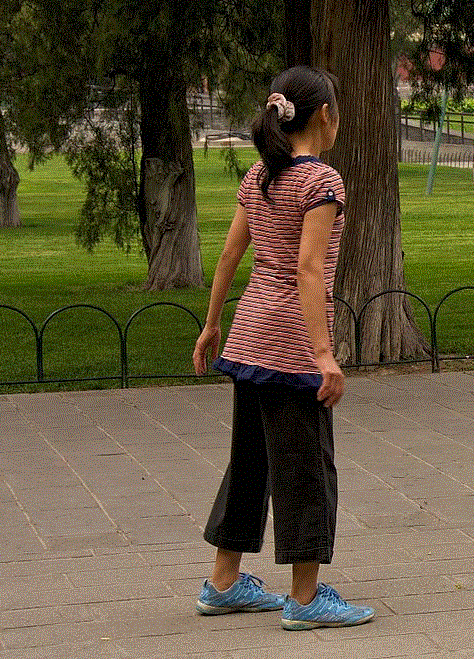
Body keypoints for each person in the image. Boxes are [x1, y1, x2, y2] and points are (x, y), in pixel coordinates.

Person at [192, 67, 376, 631]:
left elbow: (229, 255)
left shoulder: (260, 175)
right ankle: (305, 597)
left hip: (248, 337)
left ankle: (224, 583)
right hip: (290, 345)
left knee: (250, 462)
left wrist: (211, 324)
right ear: (325, 115)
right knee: (306, 467)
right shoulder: (321, 181)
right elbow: (309, 269)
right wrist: (323, 355)